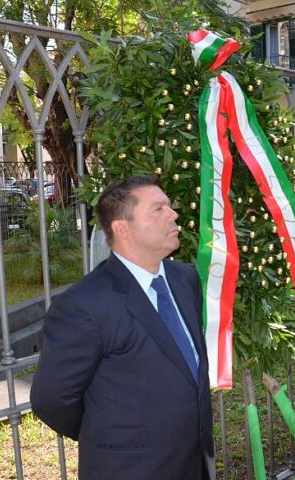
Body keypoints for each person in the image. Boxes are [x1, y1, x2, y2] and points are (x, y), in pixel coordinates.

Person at [30, 176, 214, 480]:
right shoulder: (83, 306)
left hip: (193, 462)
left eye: (169, 206)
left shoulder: (186, 280)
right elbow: (51, 400)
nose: (173, 214)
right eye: (158, 209)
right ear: (122, 228)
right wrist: (114, 437)